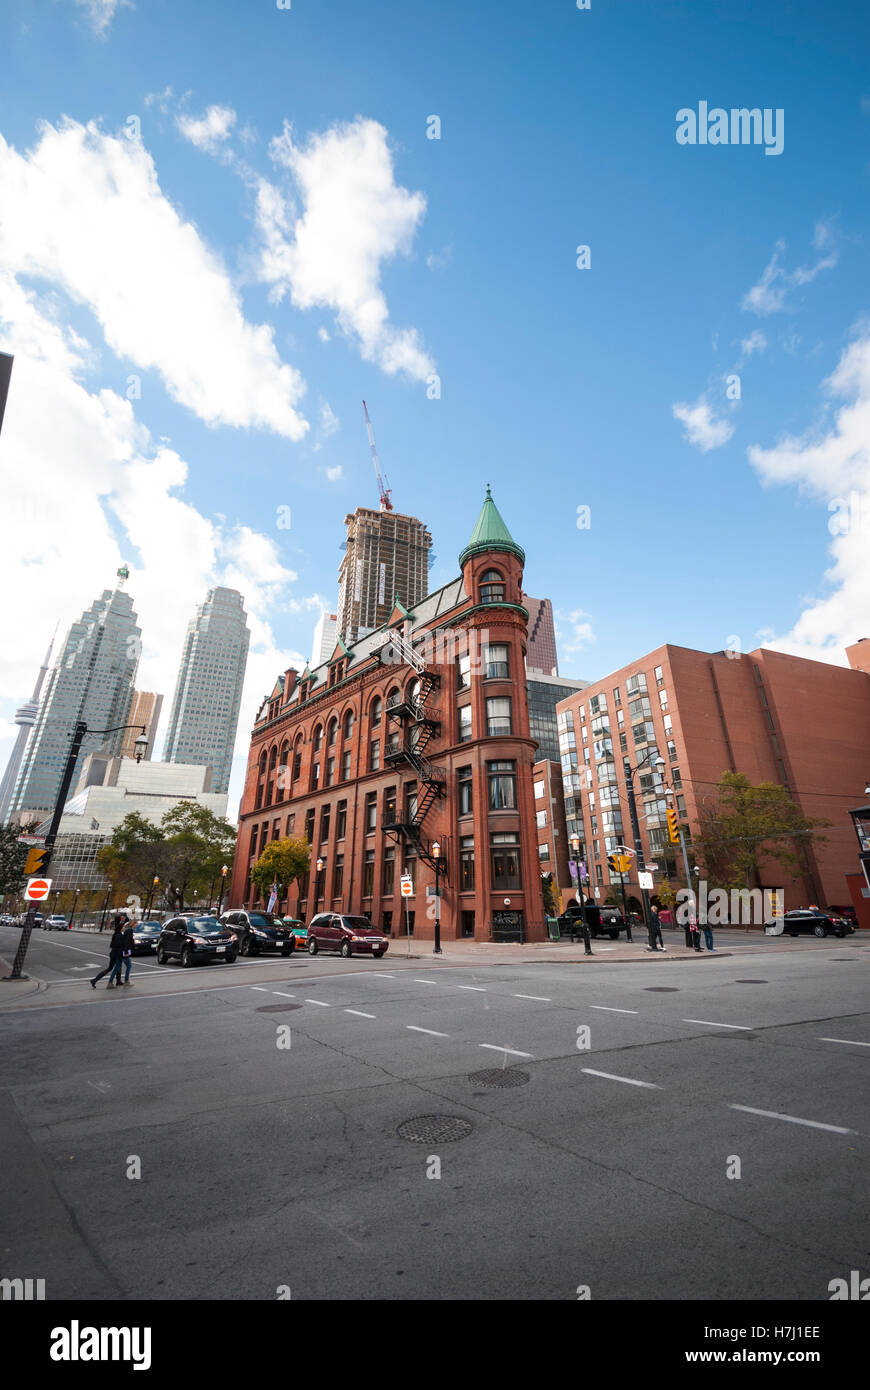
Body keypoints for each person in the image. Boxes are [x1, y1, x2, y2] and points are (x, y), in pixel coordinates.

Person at [92, 923, 125, 989]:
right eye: (124, 926)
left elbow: (112, 945)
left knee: (117, 967)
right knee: (111, 968)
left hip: (113, 953)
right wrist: (120, 955)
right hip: (116, 954)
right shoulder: (118, 935)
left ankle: (118, 981)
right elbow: (118, 946)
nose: (124, 927)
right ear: (121, 927)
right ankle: (94, 980)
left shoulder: (117, 934)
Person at [120, 918, 135, 985]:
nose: (137, 925)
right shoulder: (129, 931)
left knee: (117, 967)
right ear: (133, 924)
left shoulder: (129, 930)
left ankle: (112, 981)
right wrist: (126, 952)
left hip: (125, 950)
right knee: (128, 965)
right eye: (136, 923)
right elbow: (126, 942)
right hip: (125, 951)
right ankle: (126, 980)